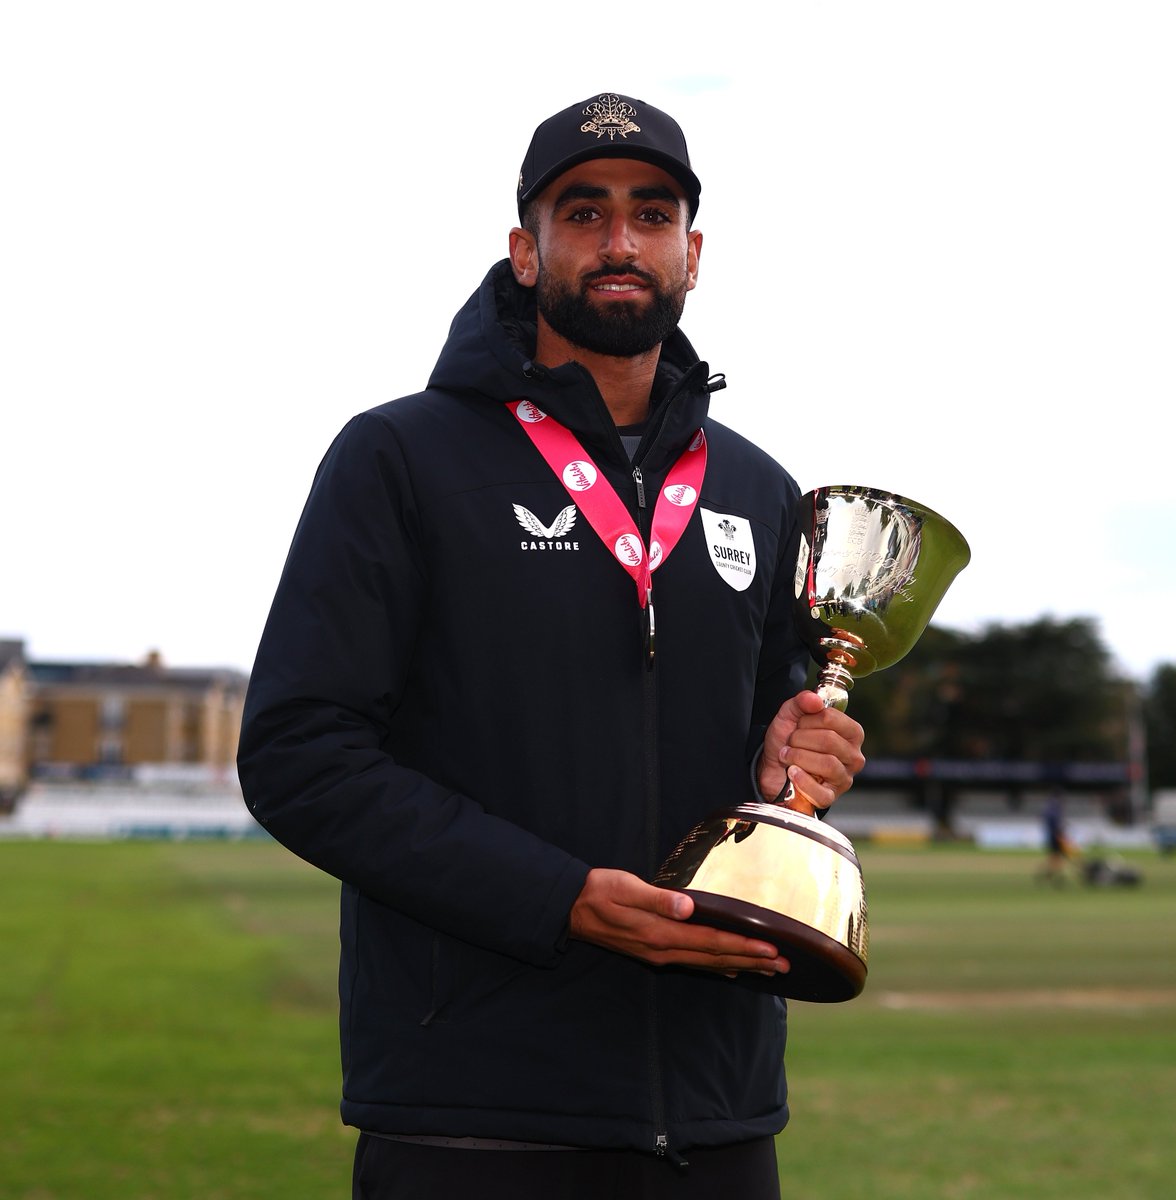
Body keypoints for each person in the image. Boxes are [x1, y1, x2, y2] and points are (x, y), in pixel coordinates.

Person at [238, 92, 867, 1199]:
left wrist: (802, 760)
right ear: (526, 251)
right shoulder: (401, 457)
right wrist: (557, 896)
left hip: (718, 1118)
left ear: (694, 252)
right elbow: (299, 754)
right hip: (473, 1117)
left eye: (652, 213)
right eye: (584, 213)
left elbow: (771, 738)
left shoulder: (761, 490)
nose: (621, 242)